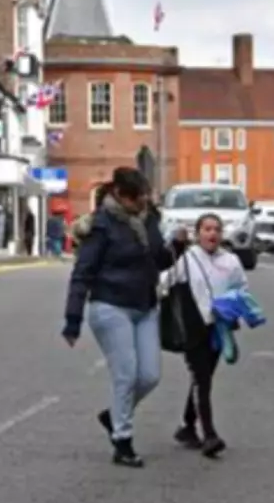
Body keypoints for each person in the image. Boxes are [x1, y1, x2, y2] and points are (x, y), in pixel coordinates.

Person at [62, 167, 183, 467]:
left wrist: (177, 247)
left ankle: (114, 415)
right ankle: (123, 440)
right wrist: (73, 319)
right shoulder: (101, 225)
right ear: (119, 194)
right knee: (126, 374)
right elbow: (82, 272)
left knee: (150, 376)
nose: (142, 203)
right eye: (135, 198)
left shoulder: (149, 219)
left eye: (144, 197)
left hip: (145, 305)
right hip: (110, 305)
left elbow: (158, 260)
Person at [169, 212, 249, 458]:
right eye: (207, 229)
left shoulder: (231, 261)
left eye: (217, 229)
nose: (212, 233)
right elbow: (165, 283)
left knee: (203, 378)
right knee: (202, 379)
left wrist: (233, 309)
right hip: (193, 327)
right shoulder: (188, 259)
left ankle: (187, 426)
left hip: (218, 327)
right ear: (198, 234)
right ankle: (210, 435)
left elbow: (241, 288)